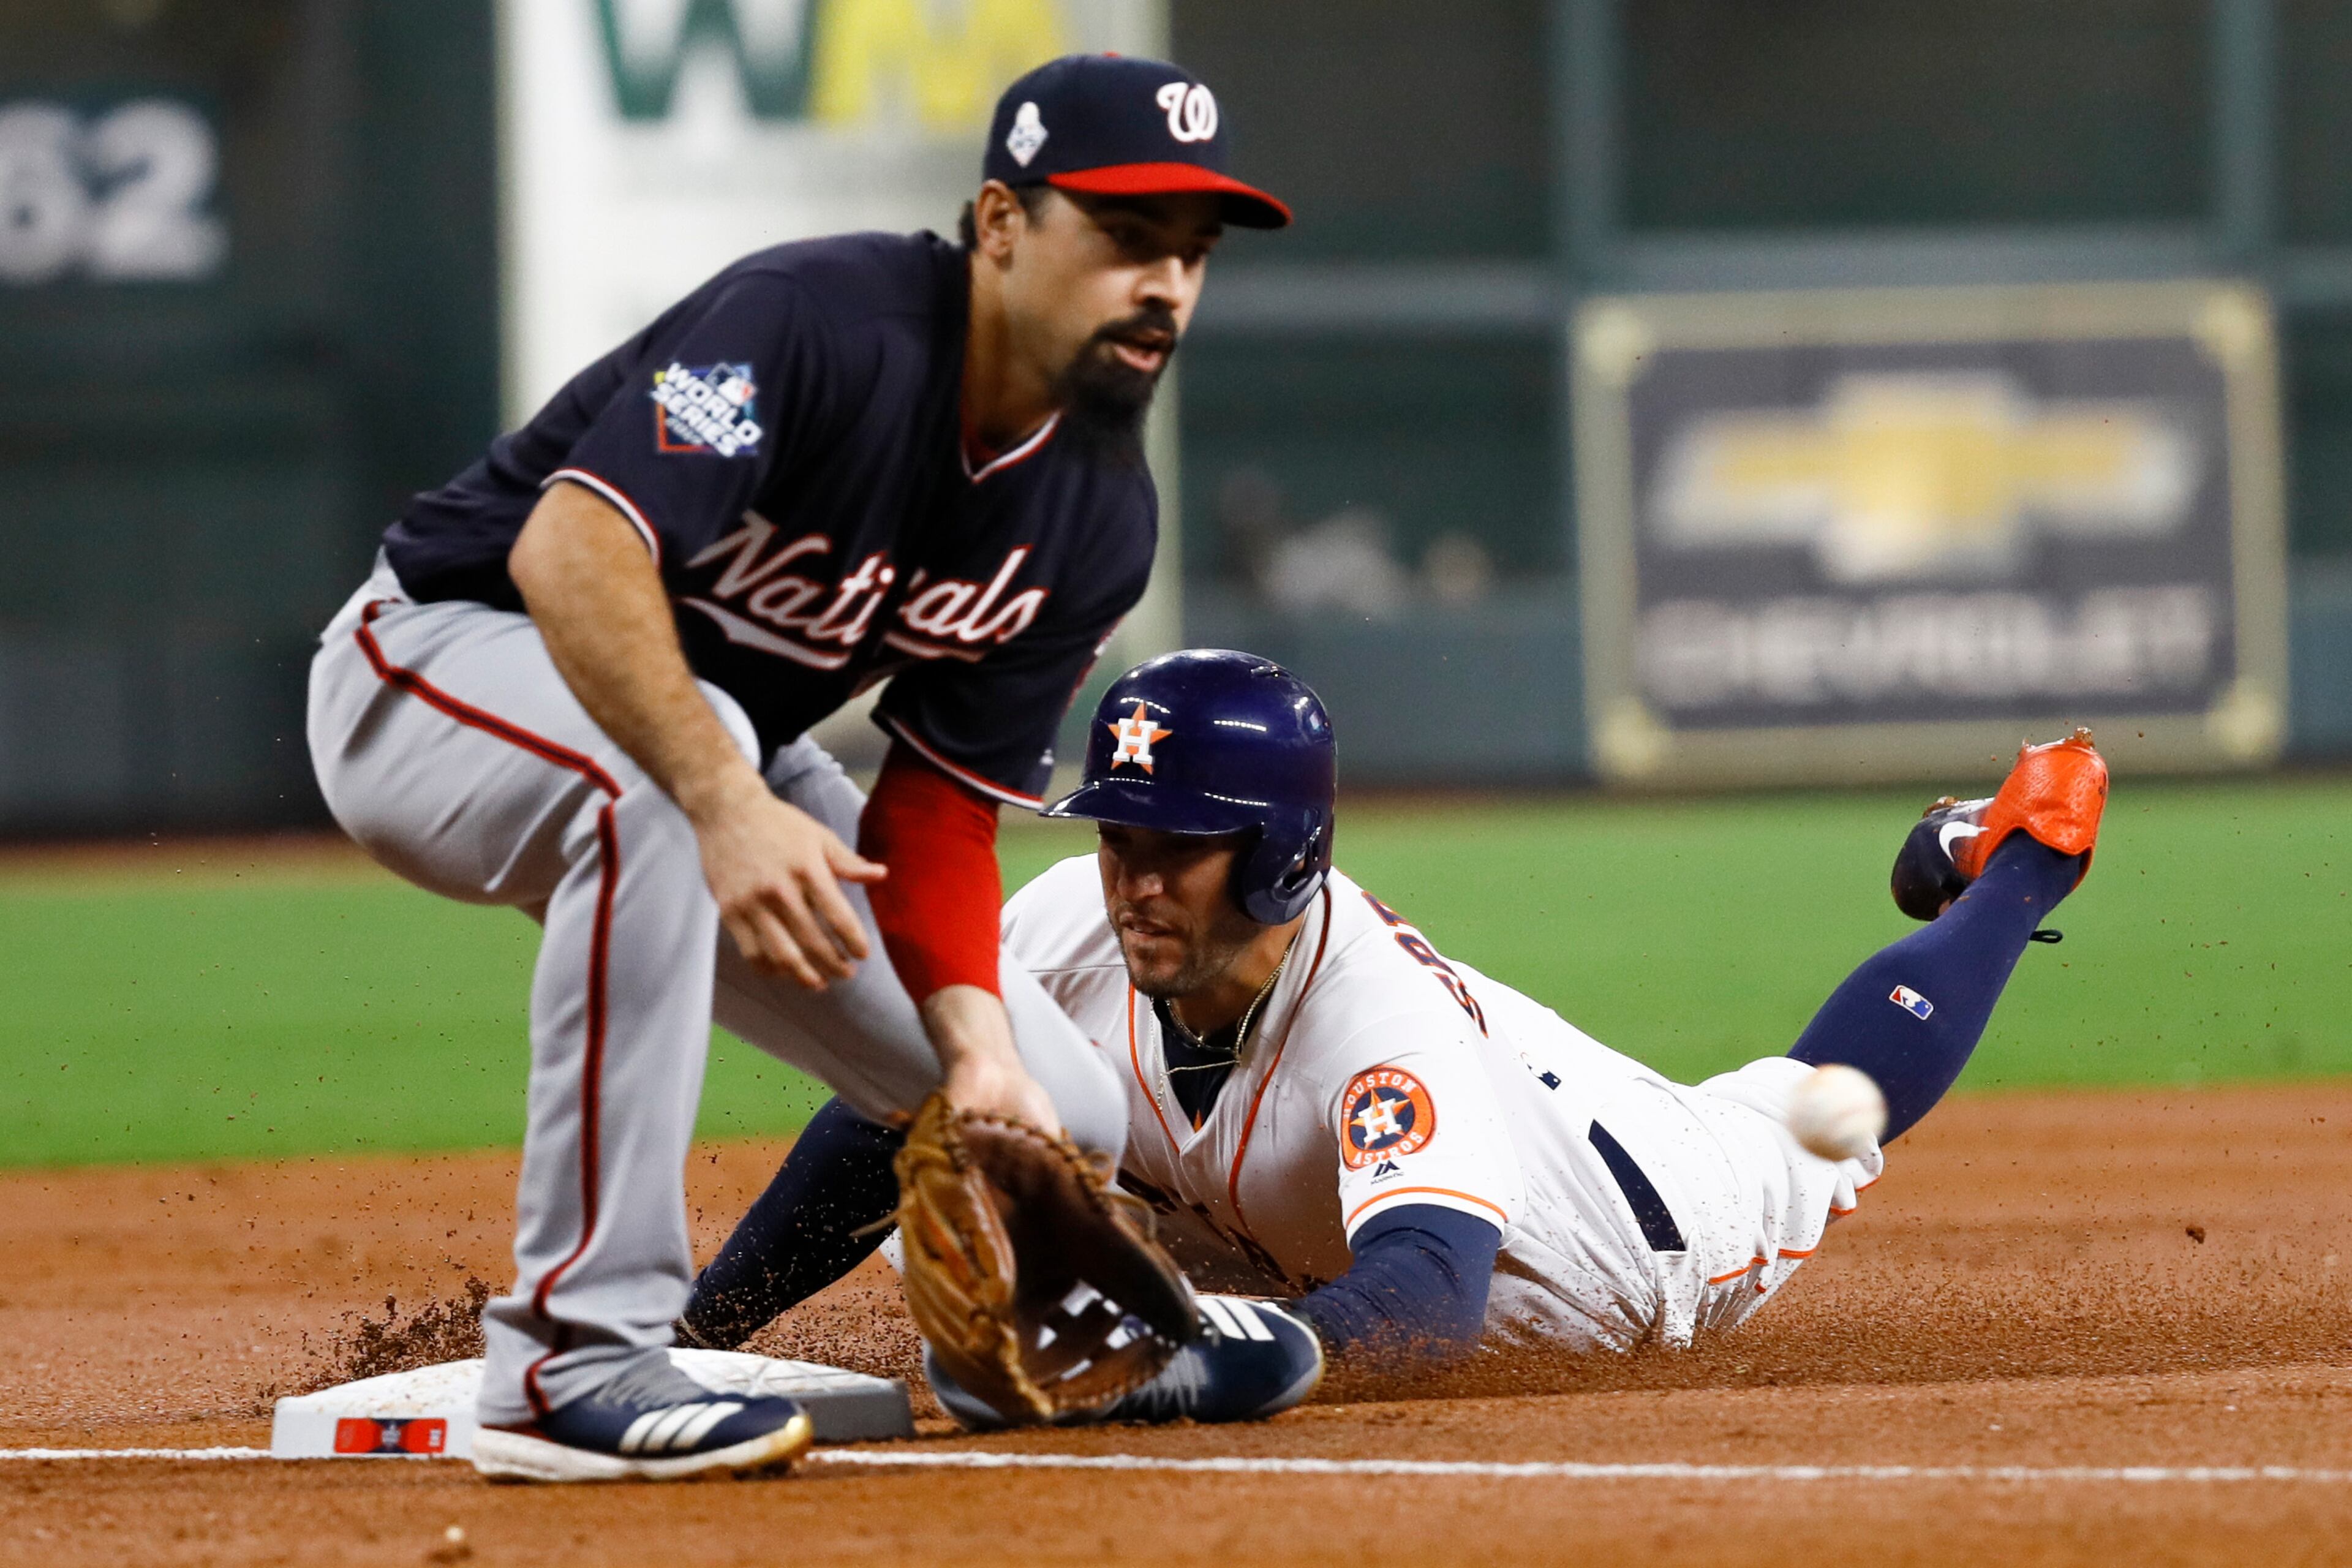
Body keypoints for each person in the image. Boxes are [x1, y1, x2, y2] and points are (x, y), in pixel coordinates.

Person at [305, 58, 1294, 1481]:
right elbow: (568, 550)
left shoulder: (1093, 508)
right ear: (1002, 224)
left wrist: (974, 1052)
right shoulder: (818, 322)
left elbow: (940, 809)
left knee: (1051, 1108)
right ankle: (573, 1356)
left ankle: (1023, 1353)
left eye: (1191, 257)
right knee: (653, 782)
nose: (1166, 287)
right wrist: (721, 798)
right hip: (434, 664)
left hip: (711, 758)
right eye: (1128, 239)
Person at [682, 650, 2107, 1423]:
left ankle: (2027, 847)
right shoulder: (1070, 928)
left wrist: (1198, 1364)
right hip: (1284, 1236)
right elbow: (892, 1101)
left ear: (1280, 854)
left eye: (1181, 846)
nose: (1134, 876)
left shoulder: (1378, 1024)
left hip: (1643, 1226)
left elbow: (1425, 1298)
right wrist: (699, 1331)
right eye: (1121, 835)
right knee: (995, 1114)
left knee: (1816, 1112)